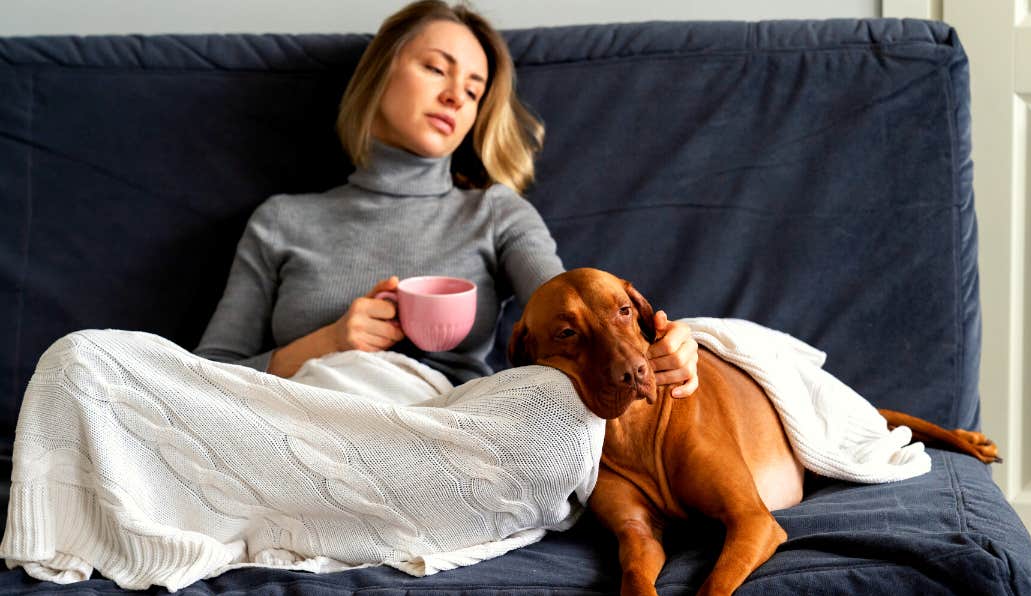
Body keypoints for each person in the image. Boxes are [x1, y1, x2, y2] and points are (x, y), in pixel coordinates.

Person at [194, 0, 700, 394]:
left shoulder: (495, 212)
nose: (456, 96)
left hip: (443, 423)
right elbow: (199, 379)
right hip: (304, 415)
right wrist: (327, 344)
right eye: (437, 69)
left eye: (474, 90)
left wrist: (662, 346)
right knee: (117, 363)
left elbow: (572, 313)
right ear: (380, 73)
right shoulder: (281, 220)